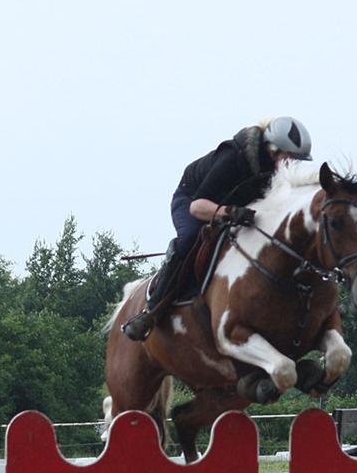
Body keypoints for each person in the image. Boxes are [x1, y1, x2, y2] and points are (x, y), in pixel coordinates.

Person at [121, 116, 313, 341]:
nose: (292, 165)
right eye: (290, 158)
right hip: (192, 200)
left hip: (231, 208)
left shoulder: (274, 171)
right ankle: (152, 310)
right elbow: (197, 207)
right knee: (190, 238)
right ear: (272, 150)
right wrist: (229, 213)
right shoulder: (233, 157)